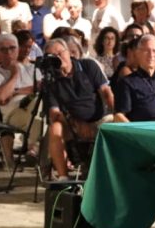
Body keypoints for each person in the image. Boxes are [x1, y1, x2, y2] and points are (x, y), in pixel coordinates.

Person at [42, 38, 115, 180]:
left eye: (59, 53)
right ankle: (63, 176)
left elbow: (106, 92)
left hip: (100, 117)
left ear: (69, 53)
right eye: (52, 56)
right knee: (55, 127)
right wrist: (75, 122)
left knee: (115, 123)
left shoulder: (88, 66)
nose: (57, 58)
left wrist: (117, 112)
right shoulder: (51, 81)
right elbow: (54, 113)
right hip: (72, 122)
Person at [0, 33, 37, 169]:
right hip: (11, 114)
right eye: (3, 49)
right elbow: (2, 97)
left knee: (44, 117)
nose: (8, 52)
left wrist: (15, 91)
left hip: (34, 110)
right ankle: (35, 149)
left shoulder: (32, 68)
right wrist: (14, 74)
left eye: (12, 48)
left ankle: (39, 156)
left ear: (17, 50)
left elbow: (41, 88)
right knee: (43, 119)